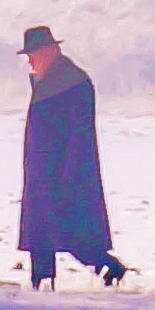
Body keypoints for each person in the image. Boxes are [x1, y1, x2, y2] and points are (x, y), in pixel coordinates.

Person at [15, 24, 125, 289]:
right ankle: (41, 280)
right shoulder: (48, 80)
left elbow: (80, 133)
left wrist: (70, 172)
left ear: (51, 50)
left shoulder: (73, 82)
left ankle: (108, 267)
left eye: (33, 53)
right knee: (42, 228)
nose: (29, 60)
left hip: (63, 169)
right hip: (42, 169)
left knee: (68, 228)